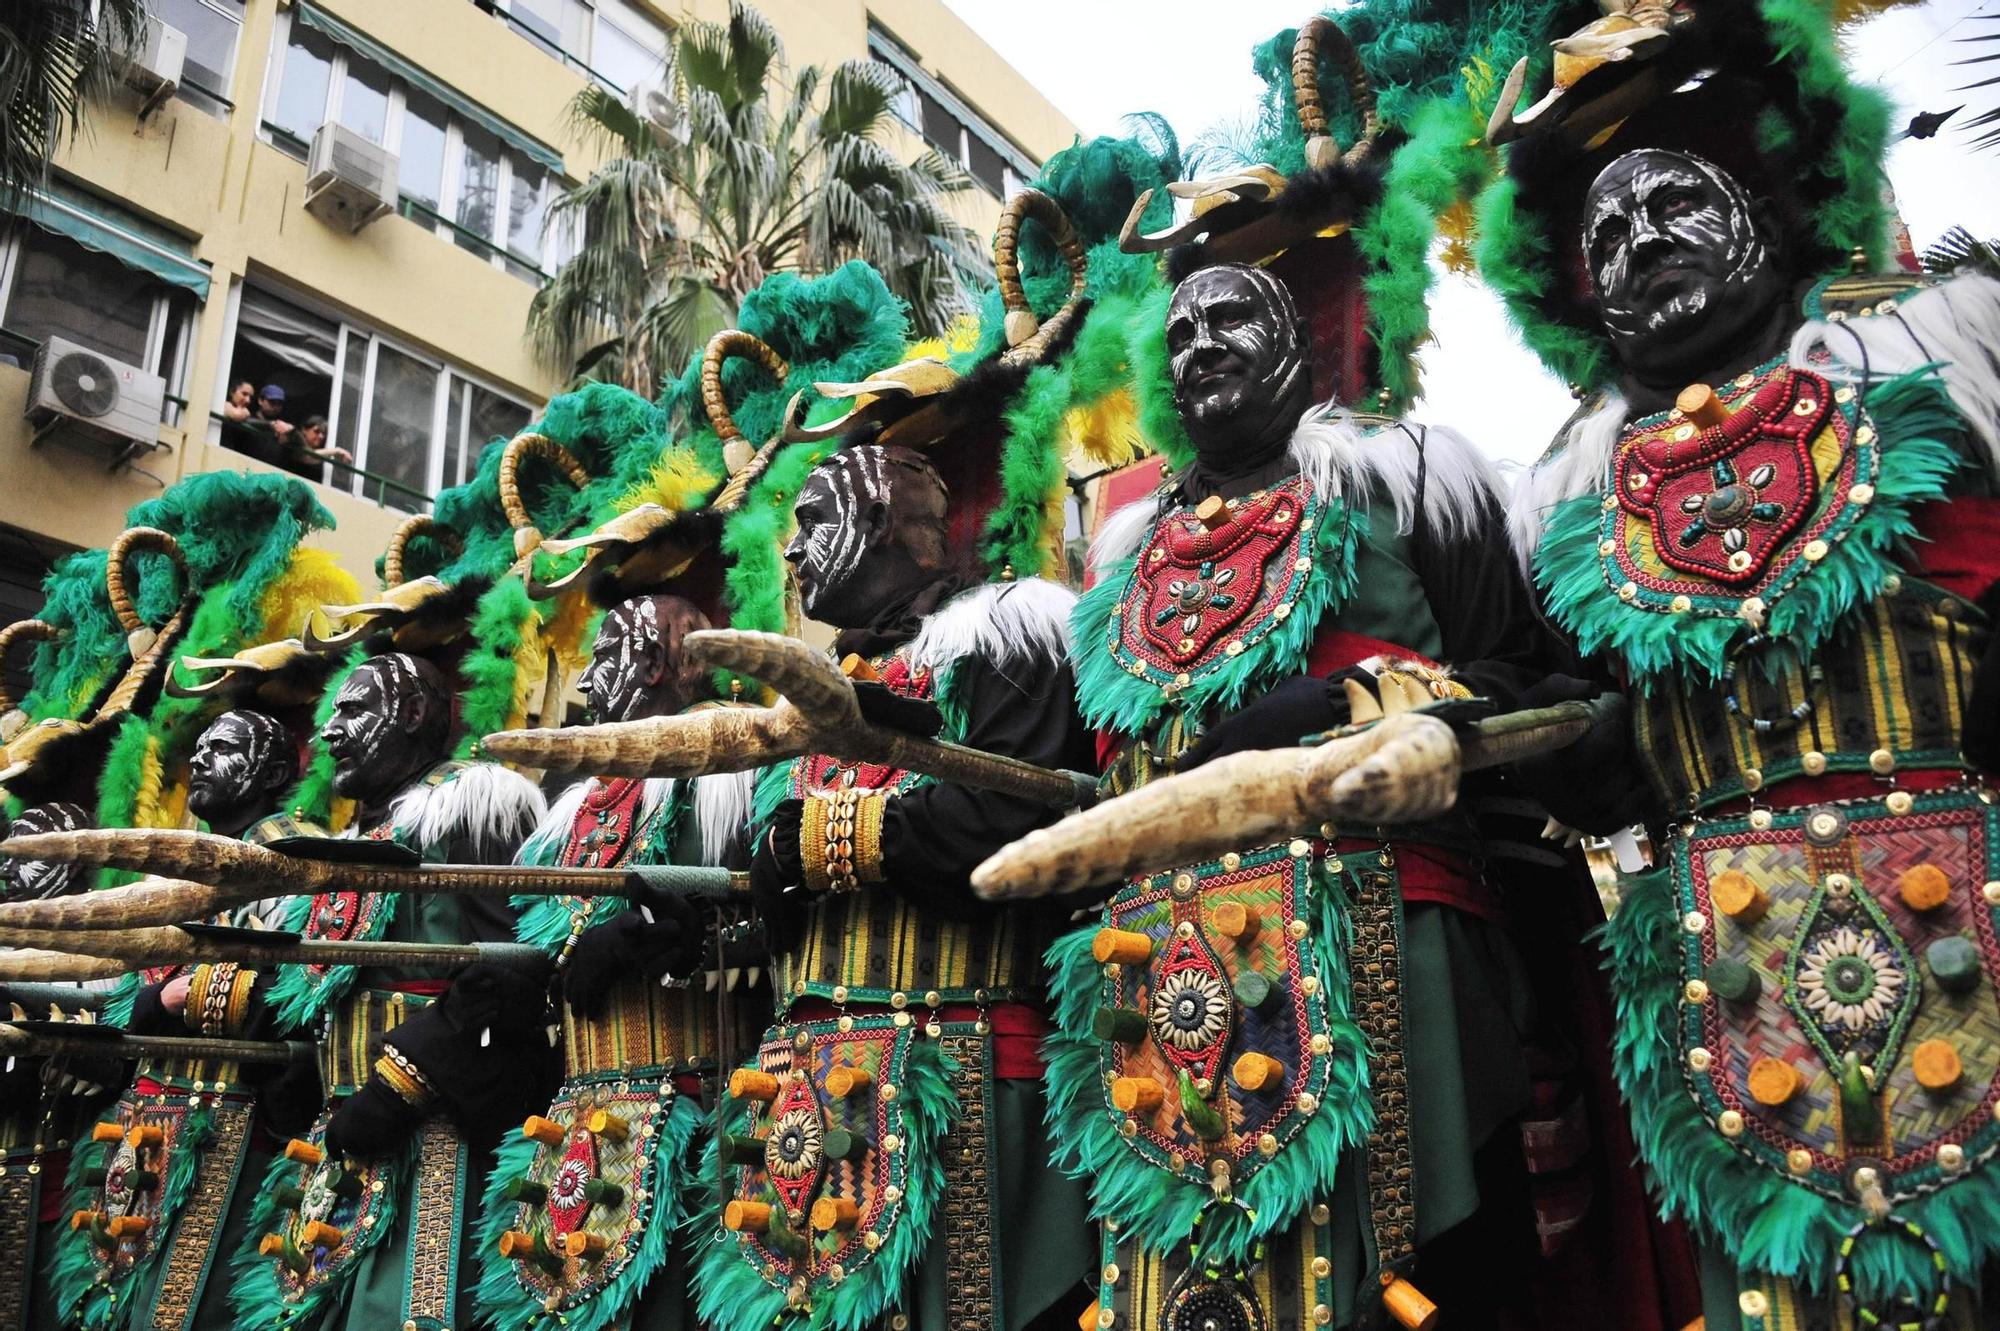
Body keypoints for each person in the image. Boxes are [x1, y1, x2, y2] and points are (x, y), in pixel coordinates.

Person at [1484, 0, 2000, 1322]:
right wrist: (1590, 757)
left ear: (1768, 216)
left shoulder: (1937, 334)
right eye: (1606, 234)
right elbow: (1602, 754)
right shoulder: (1561, 494)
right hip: (1736, 989)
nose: (1640, 240)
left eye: (1673, 202)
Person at [1047, 257, 1562, 1331]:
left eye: (1230, 315)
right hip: (1160, 982)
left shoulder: (1407, 475)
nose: (1198, 343)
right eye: (1178, 331)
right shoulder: (1119, 558)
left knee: (1416, 1279)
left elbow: (1522, 675)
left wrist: (1345, 701)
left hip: (1382, 946)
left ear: (1297, 343)